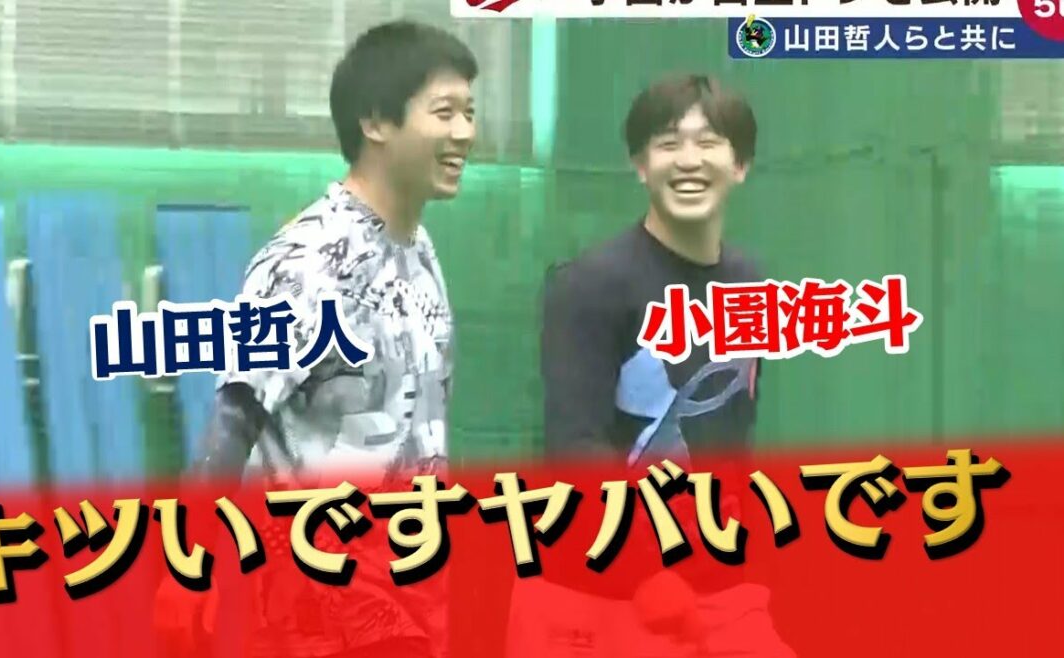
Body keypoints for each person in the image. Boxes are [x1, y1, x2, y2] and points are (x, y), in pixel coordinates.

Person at [156, 20, 478, 658]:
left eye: (469, 112)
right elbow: (235, 412)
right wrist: (185, 572)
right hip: (321, 614)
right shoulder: (307, 259)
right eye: (444, 112)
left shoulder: (419, 248)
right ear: (376, 122)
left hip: (412, 601)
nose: (465, 132)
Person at [519, 74, 794, 657]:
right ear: (640, 165)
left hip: (714, 591)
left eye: (709, 142)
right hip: (591, 597)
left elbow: (732, 435)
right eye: (668, 144)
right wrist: (648, 573)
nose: (688, 160)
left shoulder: (752, 284)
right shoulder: (590, 285)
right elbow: (574, 447)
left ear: (741, 165)